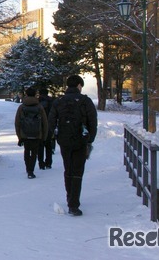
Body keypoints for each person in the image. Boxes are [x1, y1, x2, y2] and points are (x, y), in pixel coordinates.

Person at [47, 75, 98, 216]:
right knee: (78, 171)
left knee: (67, 169)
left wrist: (57, 135)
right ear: (79, 86)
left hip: (64, 140)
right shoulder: (85, 101)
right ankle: (74, 204)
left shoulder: (59, 101)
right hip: (81, 139)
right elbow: (92, 121)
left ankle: (70, 197)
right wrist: (90, 139)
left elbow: (51, 121)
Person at [15, 87, 48, 179]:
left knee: (27, 151)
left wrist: (19, 136)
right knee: (34, 153)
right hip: (37, 134)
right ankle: (31, 171)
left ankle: (28, 168)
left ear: (26, 94)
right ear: (35, 95)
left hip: (25, 134)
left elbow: (17, 123)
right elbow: (44, 123)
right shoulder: (39, 107)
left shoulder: (22, 107)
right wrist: (44, 137)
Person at [37, 88, 54, 170]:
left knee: (40, 145)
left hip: (39, 125)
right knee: (48, 145)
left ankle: (41, 163)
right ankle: (49, 162)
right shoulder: (52, 101)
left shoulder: (38, 101)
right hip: (49, 124)